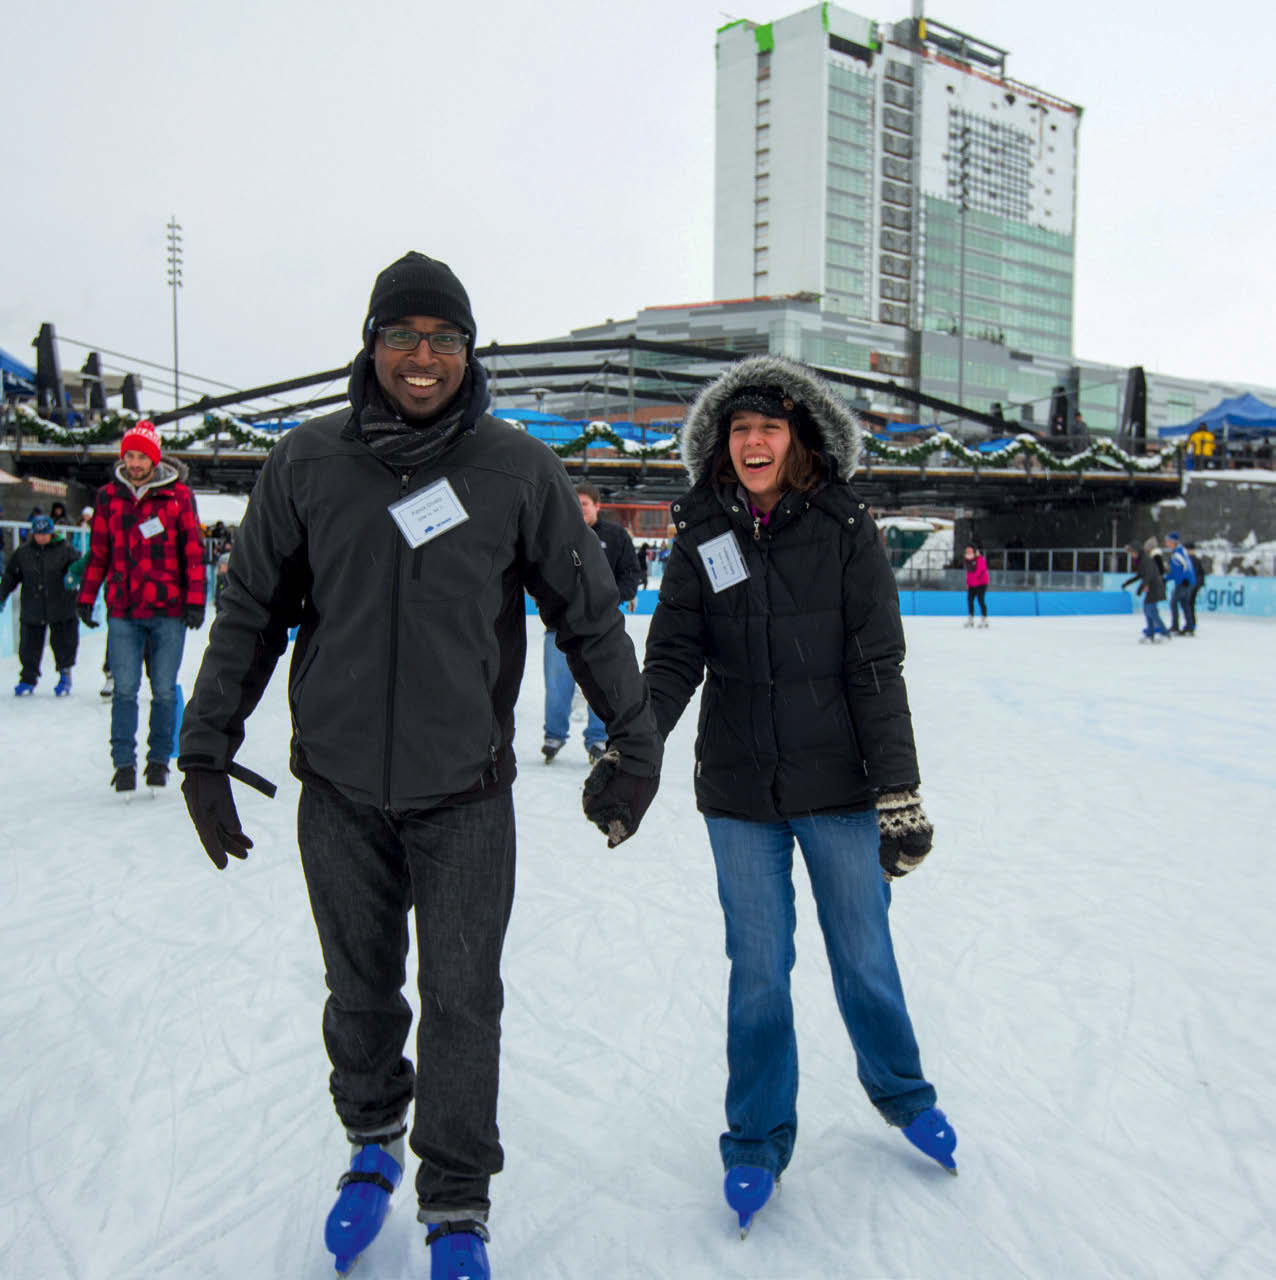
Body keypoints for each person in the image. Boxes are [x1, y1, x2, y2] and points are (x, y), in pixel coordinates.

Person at [175, 251, 661, 1279]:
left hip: (466, 792)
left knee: (462, 997)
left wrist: (634, 738)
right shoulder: (306, 464)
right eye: (404, 337)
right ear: (373, 346)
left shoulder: (515, 467)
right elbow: (250, 613)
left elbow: (589, 614)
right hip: (340, 788)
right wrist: (205, 745)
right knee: (359, 989)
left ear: (468, 351)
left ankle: (454, 1197)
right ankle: (369, 1142)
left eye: (444, 339)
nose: (424, 357)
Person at [643, 355, 956, 1235]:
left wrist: (899, 790)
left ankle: (903, 1092)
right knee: (758, 971)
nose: (754, 441)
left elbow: (874, 666)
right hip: (740, 792)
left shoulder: (844, 525)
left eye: (769, 428)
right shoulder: (702, 526)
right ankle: (755, 1137)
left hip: (840, 787)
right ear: (723, 443)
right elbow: (672, 655)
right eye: (740, 429)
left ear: (797, 438)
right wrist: (637, 749)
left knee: (863, 955)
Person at [77, 421, 206, 792]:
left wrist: (195, 601)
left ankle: (158, 760)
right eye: (129, 456)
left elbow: (192, 552)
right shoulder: (108, 497)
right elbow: (99, 552)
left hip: (168, 610)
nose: (134, 463)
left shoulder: (179, 496)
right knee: (125, 690)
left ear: (153, 458)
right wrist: (87, 596)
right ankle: (123, 764)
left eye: (141, 456)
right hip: (124, 610)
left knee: (164, 689)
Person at [541, 480, 641, 763]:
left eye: (584, 503)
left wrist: (612, 600)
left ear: (597, 506)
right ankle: (554, 735)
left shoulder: (616, 536)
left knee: (601, 682)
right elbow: (540, 572)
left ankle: (597, 739)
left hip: (602, 626)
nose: (579, 508)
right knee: (558, 683)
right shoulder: (557, 535)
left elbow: (630, 573)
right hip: (561, 624)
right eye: (575, 503)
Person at [1, 514, 81, 696]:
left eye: (45, 534)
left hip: (61, 605)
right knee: (29, 645)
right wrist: (1, 596)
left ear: (52, 533)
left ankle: (64, 675)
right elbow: (10, 577)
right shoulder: (23, 552)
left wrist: (75, 582)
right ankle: (28, 678)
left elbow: (79, 570)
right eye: (38, 534)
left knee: (64, 642)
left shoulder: (66, 550)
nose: (41, 537)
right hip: (33, 606)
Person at [1121, 539, 1170, 642]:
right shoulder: (1142, 560)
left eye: (1132, 552)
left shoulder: (1146, 560)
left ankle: (1164, 633)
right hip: (1152, 587)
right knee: (1148, 610)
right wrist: (1127, 583)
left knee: (1151, 611)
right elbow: (1140, 575)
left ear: (1138, 551)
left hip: (1155, 587)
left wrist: (1143, 586)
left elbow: (1148, 574)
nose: (1131, 555)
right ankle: (1151, 634)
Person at [1164, 531, 1196, 635]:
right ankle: (1189, 627)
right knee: (1185, 603)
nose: (1166, 543)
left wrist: (1185, 579)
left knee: (1174, 602)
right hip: (1187, 582)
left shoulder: (1178, 553)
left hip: (1183, 583)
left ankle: (1175, 627)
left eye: (1168, 541)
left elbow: (1183, 568)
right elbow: (1181, 569)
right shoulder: (1181, 551)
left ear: (1173, 542)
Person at [963, 543, 989, 628]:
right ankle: (971, 619)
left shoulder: (980, 559)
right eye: (967, 550)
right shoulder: (966, 559)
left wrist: (974, 581)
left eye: (970, 550)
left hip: (981, 583)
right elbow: (968, 572)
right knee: (970, 600)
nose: (968, 551)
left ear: (974, 551)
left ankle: (984, 619)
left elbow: (980, 571)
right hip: (971, 583)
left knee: (980, 600)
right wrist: (968, 583)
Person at [1186, 542, 1205, 632]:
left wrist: (1198, 584)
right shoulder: (1192, 559)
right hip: (1194, 584)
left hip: (1193, 585)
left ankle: (1191, 623)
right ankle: (1191, 623)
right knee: (1189, 604)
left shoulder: (1193, 560)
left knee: (1189, 604)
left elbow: (1199, 573)